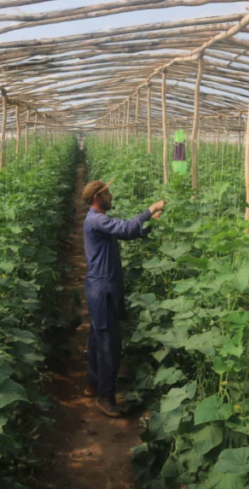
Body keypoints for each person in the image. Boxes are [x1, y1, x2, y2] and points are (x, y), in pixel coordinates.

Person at [81, 179, 165, 417]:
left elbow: (127, 234)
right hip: (102, 289)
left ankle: (92, 384)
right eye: (108, 192)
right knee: (109, 345)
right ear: (98, 196)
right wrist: (150, 209)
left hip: (100, 287)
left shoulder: (96, 220)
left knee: (97, 338)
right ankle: (105, 397)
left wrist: (149, 227)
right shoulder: (97, 219)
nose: (112, 195)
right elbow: (126, 228)